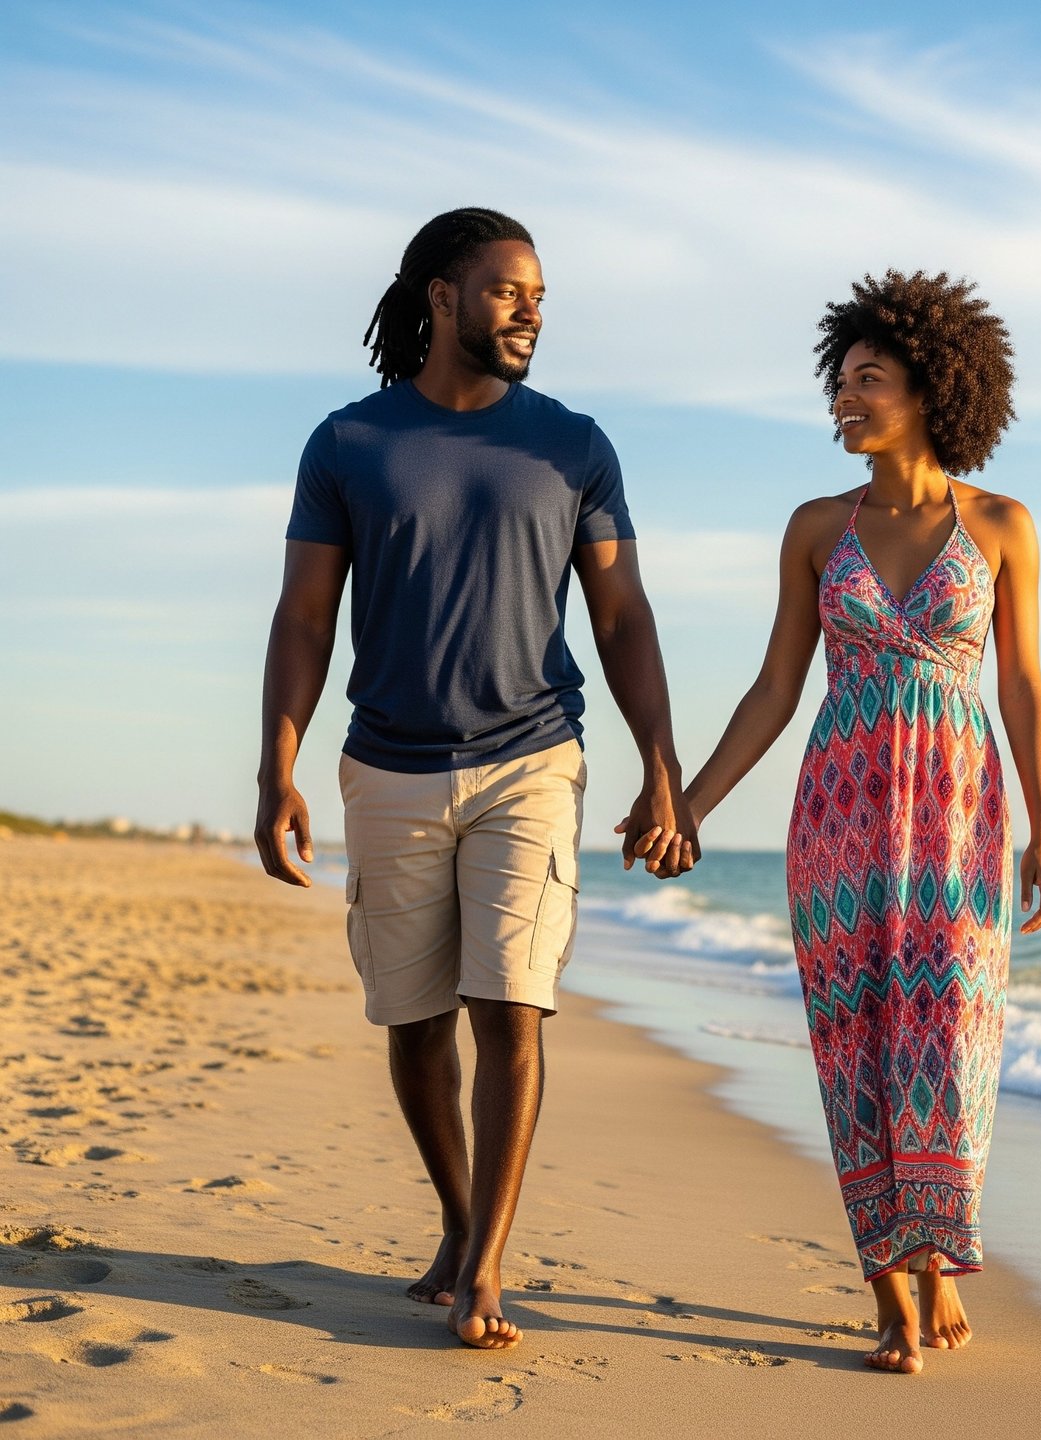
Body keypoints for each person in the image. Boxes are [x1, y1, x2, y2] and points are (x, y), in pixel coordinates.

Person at [254, 207, 697, 1351]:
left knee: (512, 1005)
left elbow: (624, 615)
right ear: (442, 295)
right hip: (388, 766)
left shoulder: (574, 445)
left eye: (540, 297)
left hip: (531, 759)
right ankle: (458, 1219)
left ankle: (487, 1267)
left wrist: (661, 761)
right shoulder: (349, 442)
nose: (531, 313)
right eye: (509, 291)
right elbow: (306, 616)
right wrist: (277, 765)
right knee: (412, 1022)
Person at [637, 270, 1041, 1374]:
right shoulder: (818, 530)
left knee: (952, 1041)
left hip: (960, 810)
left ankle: (935, 1262)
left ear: (930, 388)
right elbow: (778, 686)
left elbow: (1021, 685)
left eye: (867, 379)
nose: (844, 396)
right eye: (839, 379)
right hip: (841, 812)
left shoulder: (1005, 526)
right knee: (855, 1045)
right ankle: (890, 1294)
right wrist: (689, 803)